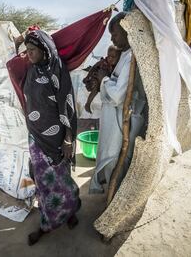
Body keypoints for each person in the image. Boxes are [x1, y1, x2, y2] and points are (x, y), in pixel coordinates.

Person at [22, 29, 81, 246]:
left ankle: (70, 210)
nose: (28, 54)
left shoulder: (57, 70)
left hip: (57, 140)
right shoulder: (30, 71)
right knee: (44, 182)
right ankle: (47, 222)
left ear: (44, 50)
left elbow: (67, 104)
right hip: (36, 138)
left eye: (32, 50)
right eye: (26, 50)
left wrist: (68, 139)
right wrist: (21, 38)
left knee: (62, 180)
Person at [87, 12, 133, 194]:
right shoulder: (123, 55)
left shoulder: (131, 59)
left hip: (118, 118)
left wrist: (105, 79)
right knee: (107, 152)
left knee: (114, 156)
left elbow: (117, 96)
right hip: (110, 116)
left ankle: (115, 195)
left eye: (115, 34)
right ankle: (109, 189)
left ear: (126, 31)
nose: (113, 39)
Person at [83, 45, 121, 113]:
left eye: (113, 57)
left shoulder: (117, 67)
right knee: (95, 89)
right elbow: (93, 67)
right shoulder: (103, 62)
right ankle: (88, 104)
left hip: (104, 82)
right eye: (109, 56)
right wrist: (87, 77)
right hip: (96, 78)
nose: (110, 58)